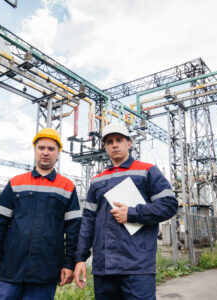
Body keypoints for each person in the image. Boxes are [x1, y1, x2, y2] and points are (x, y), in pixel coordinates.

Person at [74, 122, 178, 300]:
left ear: (129, 143)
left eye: (119, 140)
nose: (114, 144)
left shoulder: (147, 171)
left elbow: (169, 205)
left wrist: (133, 213)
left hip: (137, 267)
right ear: (105, 146)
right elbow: (88, 222)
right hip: (104, 268)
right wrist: (80, 259)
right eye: (109, 141)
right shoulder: (97, 180)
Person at [0, 128, 81, 300]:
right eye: (41, 148)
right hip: (10, 267)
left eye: (51, 149)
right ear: (35, 150)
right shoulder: (16, 183)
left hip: (46, 270)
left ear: (58, 153)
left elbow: (74, 232)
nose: (45, 152)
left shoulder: (67, 187)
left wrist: (68, 264)